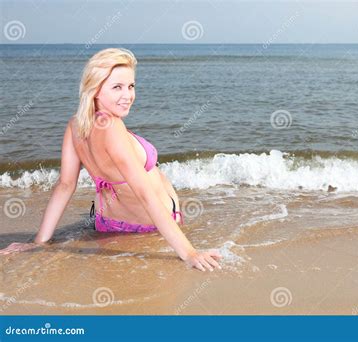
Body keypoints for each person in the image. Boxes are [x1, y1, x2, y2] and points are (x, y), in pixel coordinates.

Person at [0, 48, 221, 272]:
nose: (128, 95)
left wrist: (39, 241)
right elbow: (145, 194)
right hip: (149, 225)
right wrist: (189, 253)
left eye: (131, 86)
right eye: (117, 87)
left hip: (106, 224)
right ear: (95, 89)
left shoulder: (75, 125)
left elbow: (65, 185)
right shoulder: (112, 126)